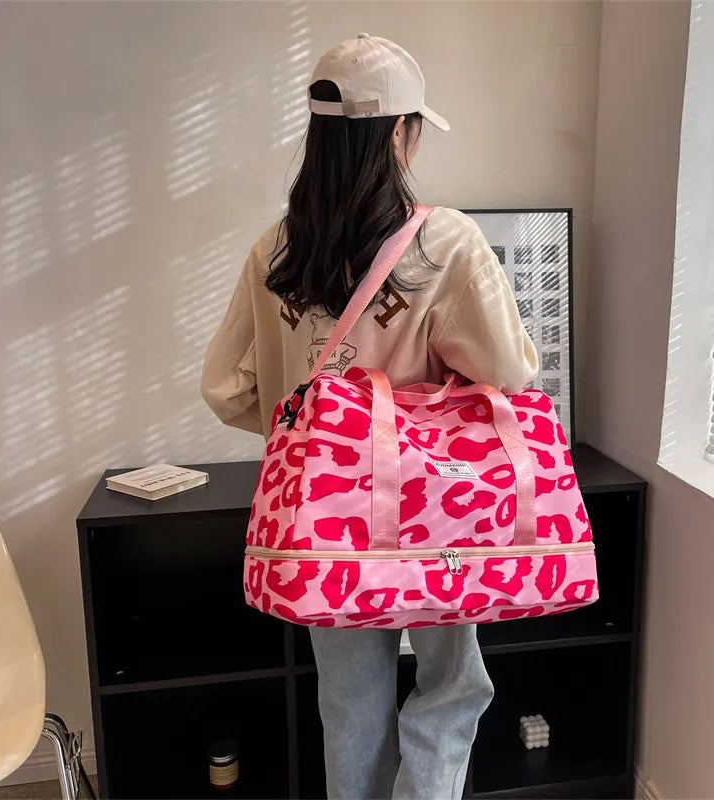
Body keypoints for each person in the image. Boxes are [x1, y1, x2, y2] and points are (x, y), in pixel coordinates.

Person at [201, 33, 538, 800]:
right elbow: (511, 373)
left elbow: (224, 387)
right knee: (452, 683)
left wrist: (309, 435)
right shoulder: (443, 243)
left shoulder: (276, 251)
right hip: (433, 508)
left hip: (325, 513)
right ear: (396, 134)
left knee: (349, 701)